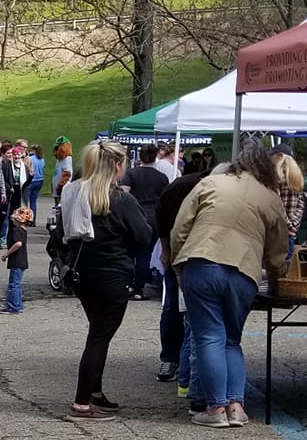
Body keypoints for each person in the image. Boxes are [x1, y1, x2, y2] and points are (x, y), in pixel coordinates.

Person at [170, 142, 289, 429]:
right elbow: (277, 249)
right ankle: (236, 407)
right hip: (245, 272)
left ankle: (215, 408)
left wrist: (178, 264)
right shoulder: (270, 197)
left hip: (203, 262)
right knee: (232, 340)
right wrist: (276, 275)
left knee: (210, 337)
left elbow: (180, 228)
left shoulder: (211, 183)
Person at [66, 139, 152, 419]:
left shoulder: (75, 193)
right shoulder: (121, 199)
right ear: (117, 166)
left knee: (97, 331)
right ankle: (82, 401)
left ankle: (94, 392)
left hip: (83, 273)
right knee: (99, 337)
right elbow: (143, 236)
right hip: (113, 274)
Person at [155, 148, 215, 390]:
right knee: (174, 306)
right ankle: (170, 358)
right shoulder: (183, 186)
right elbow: (162, 215)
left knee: (187, 310)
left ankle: (182, 361)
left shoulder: (210, 189)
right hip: (182, 255)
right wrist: (166, 248)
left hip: (198, 255)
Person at [122, 150, 169, 298]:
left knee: (129, 252)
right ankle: (139, 288)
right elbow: (165, 199)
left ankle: (127, 284)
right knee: (145, 254)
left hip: (134, 215)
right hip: (154, 217)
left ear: (140, 158)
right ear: (155, 157)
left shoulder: (131, 174)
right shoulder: (162, 177)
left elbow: (124, 193)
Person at [1, 205, 31, 313]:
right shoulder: (23, 230)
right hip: (22, 260)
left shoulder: (16, 230)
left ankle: (13, 306)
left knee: (13, 284)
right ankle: (17, 305)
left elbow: (18, 243)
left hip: (17, 260)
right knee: (16, 284)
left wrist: (7, 254)